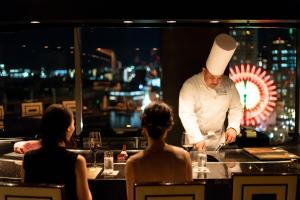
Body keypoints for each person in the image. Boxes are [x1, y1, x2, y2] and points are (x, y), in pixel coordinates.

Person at [179, 33, 243, 151]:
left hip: (219, 141)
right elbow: (186, 114)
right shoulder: (190, 85)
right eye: (211, 77)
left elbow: (236, 107)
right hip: (195, 141)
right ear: (204, 70)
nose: (215, 81)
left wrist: (233, 127)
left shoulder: (229, 84)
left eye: (219, 78)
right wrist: (197, 137)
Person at [21, 104, 92, 200]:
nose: (74, 127)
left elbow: (24, 194)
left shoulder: (27, 158)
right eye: (73, 123)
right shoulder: (77, 161)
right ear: (68, 128)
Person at [125, 102, 192, 200]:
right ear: (168, 127)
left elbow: (132, 198)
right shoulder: (184, 157)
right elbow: (191, 195)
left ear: (144, 128)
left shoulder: (133, 163)